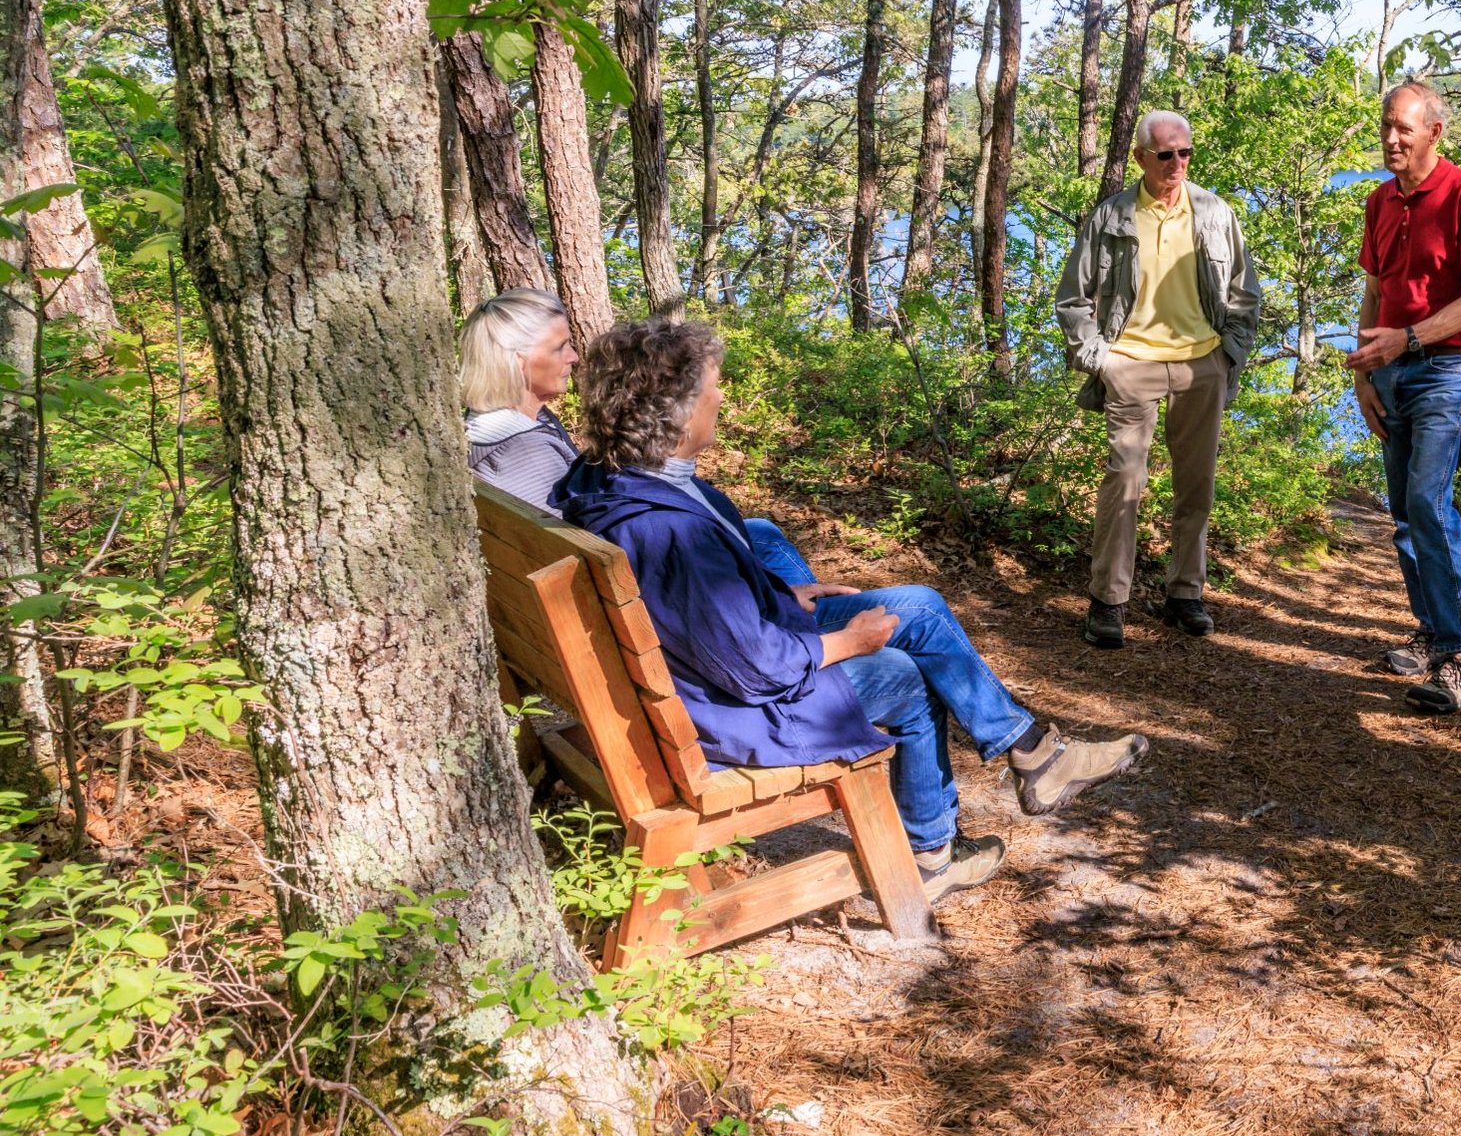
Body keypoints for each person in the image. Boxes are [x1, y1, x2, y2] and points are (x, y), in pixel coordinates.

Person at [553, 319, 1151, 906]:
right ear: (675, 409)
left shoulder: (613, 479)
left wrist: (783, 592)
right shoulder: (666, 525)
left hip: (707, 663)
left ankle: (1034, 751)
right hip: (728, 706)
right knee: (905, 677)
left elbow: (693, 605)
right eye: (713, 385)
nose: (721, 395)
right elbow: (754, 667)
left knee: (920, 606)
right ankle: (930, 856)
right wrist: (851, 642)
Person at [1054, 110, 1261, 649]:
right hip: (1132, 364)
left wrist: (1228, 355)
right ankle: (1107, 601)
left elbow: (1245, 293)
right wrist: (1101, 359)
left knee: (1197, 485)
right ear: (1141, 156)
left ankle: (1185, 594)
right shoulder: (1113, 216)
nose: (1176, 163)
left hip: (1202, 366)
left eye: (1185, 152)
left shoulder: (1215, 212)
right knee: (1125, 479)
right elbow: (1073, 297)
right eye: (1165, 153)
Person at [458, 289, 816, 587]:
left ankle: (799, 607)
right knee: (751, 539)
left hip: (634, 575)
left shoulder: (504, 426)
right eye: (560, 347)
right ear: (517, 361)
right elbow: (586, 547)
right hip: (640, 587)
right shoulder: (519, 450)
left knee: (761, 533)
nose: (574, 357)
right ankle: (806, 619)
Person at [1347, 79, 1461, 714]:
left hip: (1444, 368)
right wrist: (1363, 372)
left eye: (1403, 129)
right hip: (1389, 372)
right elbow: (1374, 292)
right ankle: (1437, 632)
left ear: (1434, 133)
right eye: (1386, 126)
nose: (1390, 138)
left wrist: (1404, 341)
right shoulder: (1380, 201)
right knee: (1404, 512)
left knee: (1427, 502)